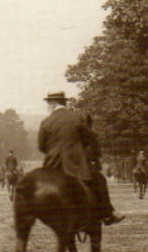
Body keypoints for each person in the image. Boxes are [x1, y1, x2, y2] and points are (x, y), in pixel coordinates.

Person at [37, 91, 123, 225]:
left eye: (48, 103)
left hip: (53, 166)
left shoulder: (46, 122)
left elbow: (41, 147)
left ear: (53, 104)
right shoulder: (77, 118)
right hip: (75, 164)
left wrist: (54, 151)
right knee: (99, 180)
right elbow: (88, 139)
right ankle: (108, 214)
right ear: (63, 103)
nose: (47, 106)